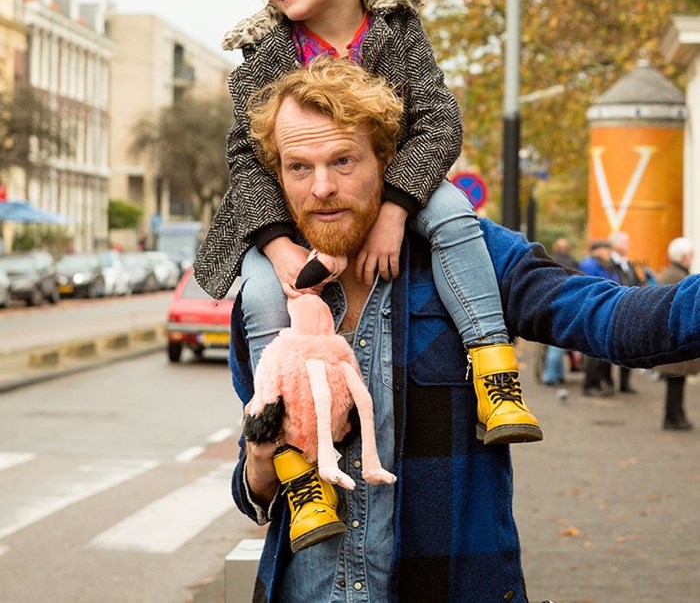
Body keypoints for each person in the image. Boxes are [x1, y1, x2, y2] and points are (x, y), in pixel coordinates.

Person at [222, 59, 700, 602]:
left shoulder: (468, 254)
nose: (323, 187)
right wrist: (260, 468)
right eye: (299, 168)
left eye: (344, 160)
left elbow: (611, 319)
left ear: (385, 158)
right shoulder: (266, 299)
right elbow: (252, 489)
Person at [194, 0, 540, 551]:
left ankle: (495, 372)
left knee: (457, 217)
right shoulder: (263, 53)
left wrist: (393, 210)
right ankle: (298, 465)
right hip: (278, 218)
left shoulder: (398, 29)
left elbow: (439, 122)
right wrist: (277, 245)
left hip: (402, 188)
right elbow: (246, 158)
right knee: (268, 299)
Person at [656, 237, 697, 430]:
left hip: (673, 341)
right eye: (689, 255)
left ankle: (676, 416)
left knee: (677, 383)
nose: (691, 258)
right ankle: (673, 417)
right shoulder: (677, 276)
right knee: (675, 383)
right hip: (674, 341)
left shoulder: (673, 274)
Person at [577, 240, 618, 396]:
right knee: (595, 350)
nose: (609, 252)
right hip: (595, 310)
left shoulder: (606, 264)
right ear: (597, 250)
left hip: (606, 309)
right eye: (606, 249)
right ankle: (590, 385)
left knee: (604, 350)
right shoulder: (589, 265)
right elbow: (593, 285)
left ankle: (601, 382)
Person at [608, 231, 647, 393]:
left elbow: (637, 283)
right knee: (608, 348)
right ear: (615, 244)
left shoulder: (629, 264)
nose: (628, 245)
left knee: (629, 347)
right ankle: (607, 382)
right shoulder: (608, 264)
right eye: (625, 242)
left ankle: (625, 383)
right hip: (613, 309)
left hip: (630, 309)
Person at [542, 238, 579, 385]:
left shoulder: (548, 259)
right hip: (569, 303)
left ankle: (553, 374)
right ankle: (553, 375)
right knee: (560, 344)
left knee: (554, 343)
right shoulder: (574, 262)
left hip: (551, 303)